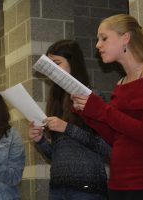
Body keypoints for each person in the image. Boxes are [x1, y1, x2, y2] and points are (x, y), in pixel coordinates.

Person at [71, 14, 143, 200]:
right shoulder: (120, 83)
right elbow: (115, 137)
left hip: (141, 182)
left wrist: (101, 109)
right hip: (118, 184)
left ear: (125, 38)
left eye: (104, 38)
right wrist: (88, 113)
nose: (98, 45)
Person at [29, 40, 111, 200]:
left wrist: (67, 128)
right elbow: (58, 155)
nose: (52, 70)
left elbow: (105, 147)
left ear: (73, 63)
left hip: (87, 189)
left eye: (57, 63)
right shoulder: (56, 101)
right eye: (49, 65)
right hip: (58, 189)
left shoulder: (92, 96)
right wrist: (40, 141)